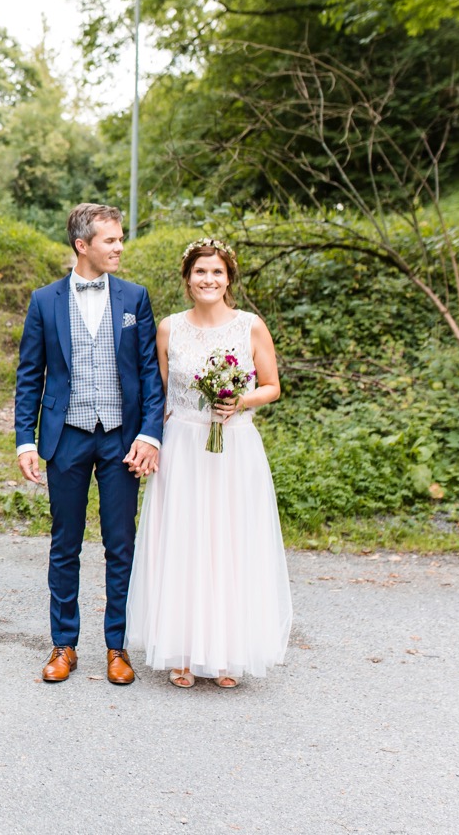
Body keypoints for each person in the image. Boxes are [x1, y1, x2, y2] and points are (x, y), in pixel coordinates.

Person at [125, 238, 293, 688]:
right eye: (201, 272)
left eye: (217, 272)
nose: (208, 280)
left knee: (230, 543)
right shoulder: (169, 329)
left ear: (228, 279)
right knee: (185, 542)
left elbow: (272, 386)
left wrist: (240, 400)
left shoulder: (250, 326)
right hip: (182, 445)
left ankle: (225, 655)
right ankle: (181, 650)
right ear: (187, 279)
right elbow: (156, 395)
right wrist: (149, 442)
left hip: (234, 449)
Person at [15, 203, 165, 686]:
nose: (119, 247)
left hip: (122, 438)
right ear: (83, 245)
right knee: (65, 545)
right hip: (68, 436)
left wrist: (149, 434)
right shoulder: (44, 301)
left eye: (120, 239)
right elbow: (29, 376)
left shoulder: (135, 298)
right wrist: (25, 441)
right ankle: (64, 645)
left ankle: (117, 648)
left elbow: (148, 372)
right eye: (111, 240)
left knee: (121, 546)